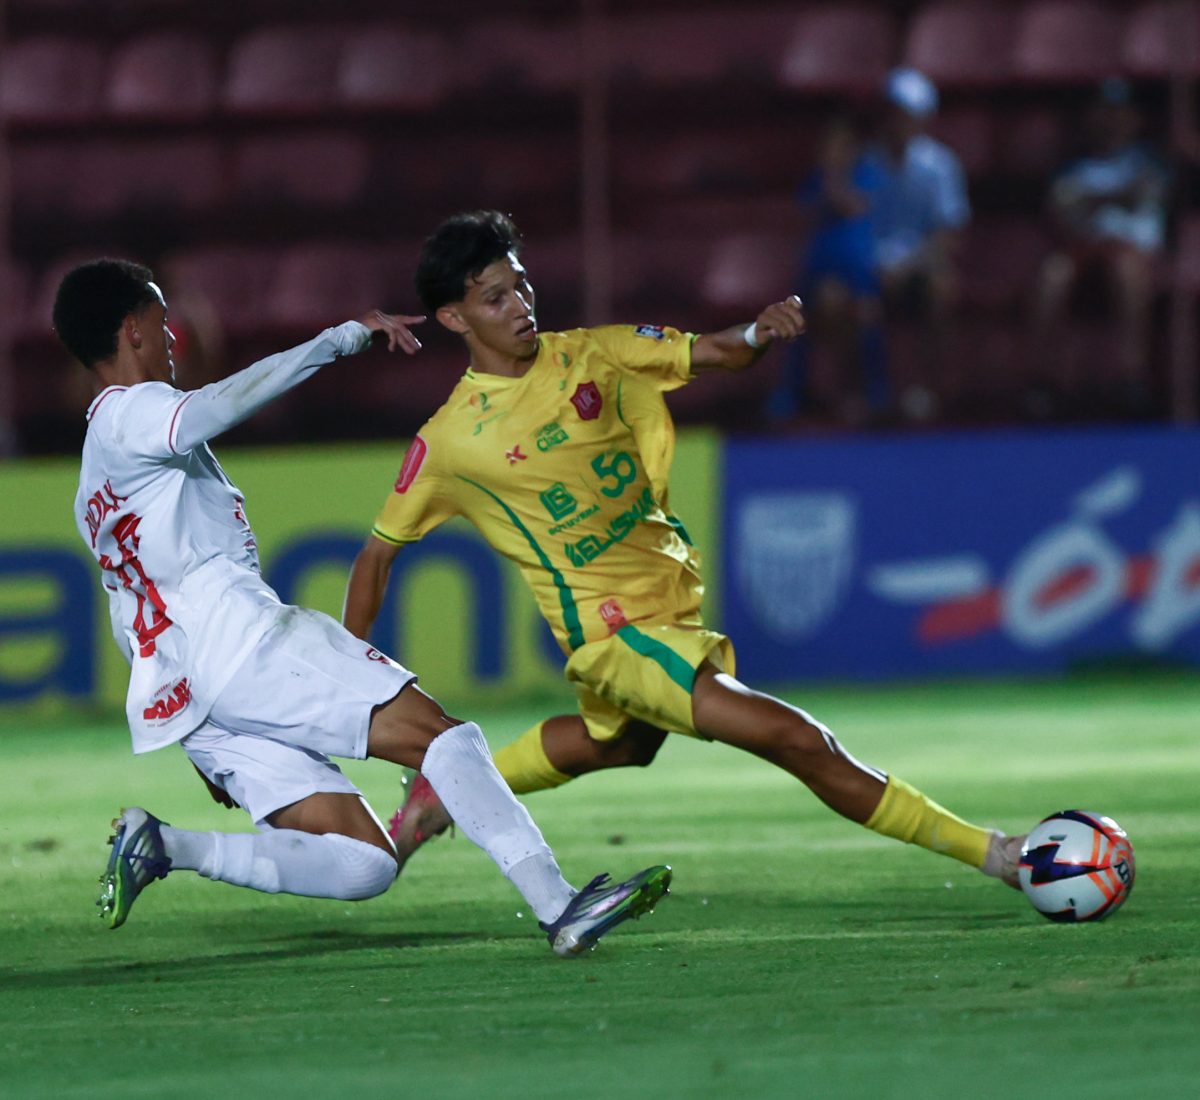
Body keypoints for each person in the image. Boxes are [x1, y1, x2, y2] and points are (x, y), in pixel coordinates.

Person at [341, 211, 1025, 895]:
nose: (520, 307)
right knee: (798, 740)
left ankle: (437, 793)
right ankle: (1000, 855)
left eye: (521, 286)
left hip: (669, 602)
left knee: (619, 744)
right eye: (496, 298)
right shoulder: (452, 440)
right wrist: (346, 670)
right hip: (614, 633)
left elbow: (717, 351)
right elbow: (377, 554)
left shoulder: (592, 353)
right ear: (455, 320)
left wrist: (759, 332)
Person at [54, 258, 670, 957]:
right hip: (242, 644)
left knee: (364, 864)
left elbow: (128, 610)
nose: (174, 335)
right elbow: (217, 407)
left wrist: (200, 726)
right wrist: (338, 339)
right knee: (444, 738)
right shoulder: (135, 414)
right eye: (163, 319)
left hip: (191, 690)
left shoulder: (91, 485)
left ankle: (163, 845)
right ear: (133, 328)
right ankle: (561, 908)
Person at [1031, 78, 1169, 416]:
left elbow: (1149, 194)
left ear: (1134, 118)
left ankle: (1131, 377)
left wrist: (1094, 199)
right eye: (1104, 112)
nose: (1111, 120)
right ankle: (1046, 381)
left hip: (1130, 251)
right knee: (1052, 275)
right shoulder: (1073, 165)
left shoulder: (1148, 160)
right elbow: (1061, 209)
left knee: (1125, 273)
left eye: (1119, 113)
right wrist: (1116, 196)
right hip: (1082, 248)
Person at [862, 68, 970, 421]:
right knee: (840, 297)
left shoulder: (940, 165)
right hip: (870, 266)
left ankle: (933, 391)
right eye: (892, 112)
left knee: (940, 288)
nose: (898, 122)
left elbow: (948, 232)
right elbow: (854, 225)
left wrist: (909, 266)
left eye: (906, 114)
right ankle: (861, 396)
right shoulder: (865, 163)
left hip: (921, 265)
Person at [770, 115, 888, 425]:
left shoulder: (867, 175)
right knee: (794, 317)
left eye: (841, 146)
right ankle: (792, 392)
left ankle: (875, 391)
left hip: (859, 272)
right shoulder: (815, 180)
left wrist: (836, 176)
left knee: (866, 315)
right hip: (819, 271)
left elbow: (854, 205)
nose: (834, 152)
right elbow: (805, 212)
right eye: (829, 146)